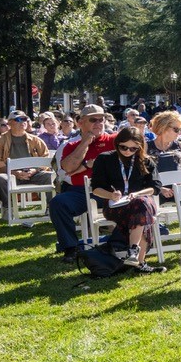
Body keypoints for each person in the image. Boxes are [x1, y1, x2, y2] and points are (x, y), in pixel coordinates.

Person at [89, 127, 165, 270]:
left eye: (133, 149)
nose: (128, 151)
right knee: (145, 215)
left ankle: (133, 251)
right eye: (124, 147)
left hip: (140, 202)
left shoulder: (145, 161)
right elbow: (96, 189)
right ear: (117, 143)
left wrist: (137, 194)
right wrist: (111, 195)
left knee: (141, 203)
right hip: (116, 206)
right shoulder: (105, 159)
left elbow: (155, 187)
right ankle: (140, 263)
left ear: (139, 147)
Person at [50, 105, 116, 262]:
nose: (99, 123)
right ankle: (70, 248)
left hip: (112, 191)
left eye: (102, 119)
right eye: (93, 120)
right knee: (58, 203)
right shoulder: (70, 145)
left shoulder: (115, 139)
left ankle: (123, 242)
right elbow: (68, 168)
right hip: (81, 191)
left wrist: (84, 167)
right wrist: (85, 143)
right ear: (80, 122)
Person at [0, 111, 52, 213]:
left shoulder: (35, 140)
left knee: (51, 177)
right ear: (10, 123)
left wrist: (35, 170)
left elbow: (46, 157)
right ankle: (8, 207)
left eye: (24, 119)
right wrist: (14, 173)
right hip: (10, 175)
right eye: (18, 119)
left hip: (34, 174)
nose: (23, 122)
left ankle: (51, 207)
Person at [148, 111, 181, 176]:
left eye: (180, 130)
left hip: (180, 184)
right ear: (163, 128)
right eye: (176, 129)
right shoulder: (146, 146)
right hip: (155, 185)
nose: (179, 133)